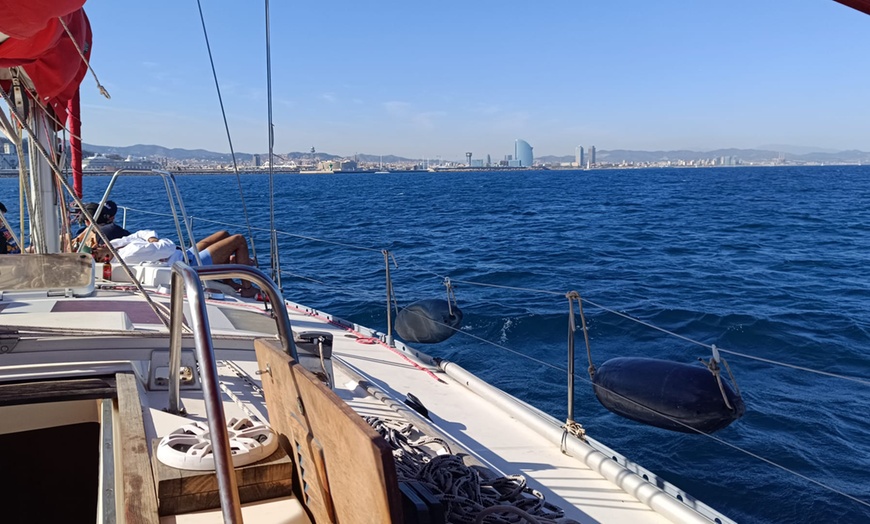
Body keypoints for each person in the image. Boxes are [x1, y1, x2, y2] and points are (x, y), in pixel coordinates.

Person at [92, 229, 258, 297]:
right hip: (189, 263)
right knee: (238, 240)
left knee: (224, 234)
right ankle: (248, 289)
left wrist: (151, 238)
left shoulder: (113, 245)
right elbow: (168, 246)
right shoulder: (128, 254)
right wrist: (156, 242)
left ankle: (228, 279)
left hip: (183, 253)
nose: (96, 245)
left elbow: (138, 234)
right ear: (100, 259)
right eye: (94, 249)